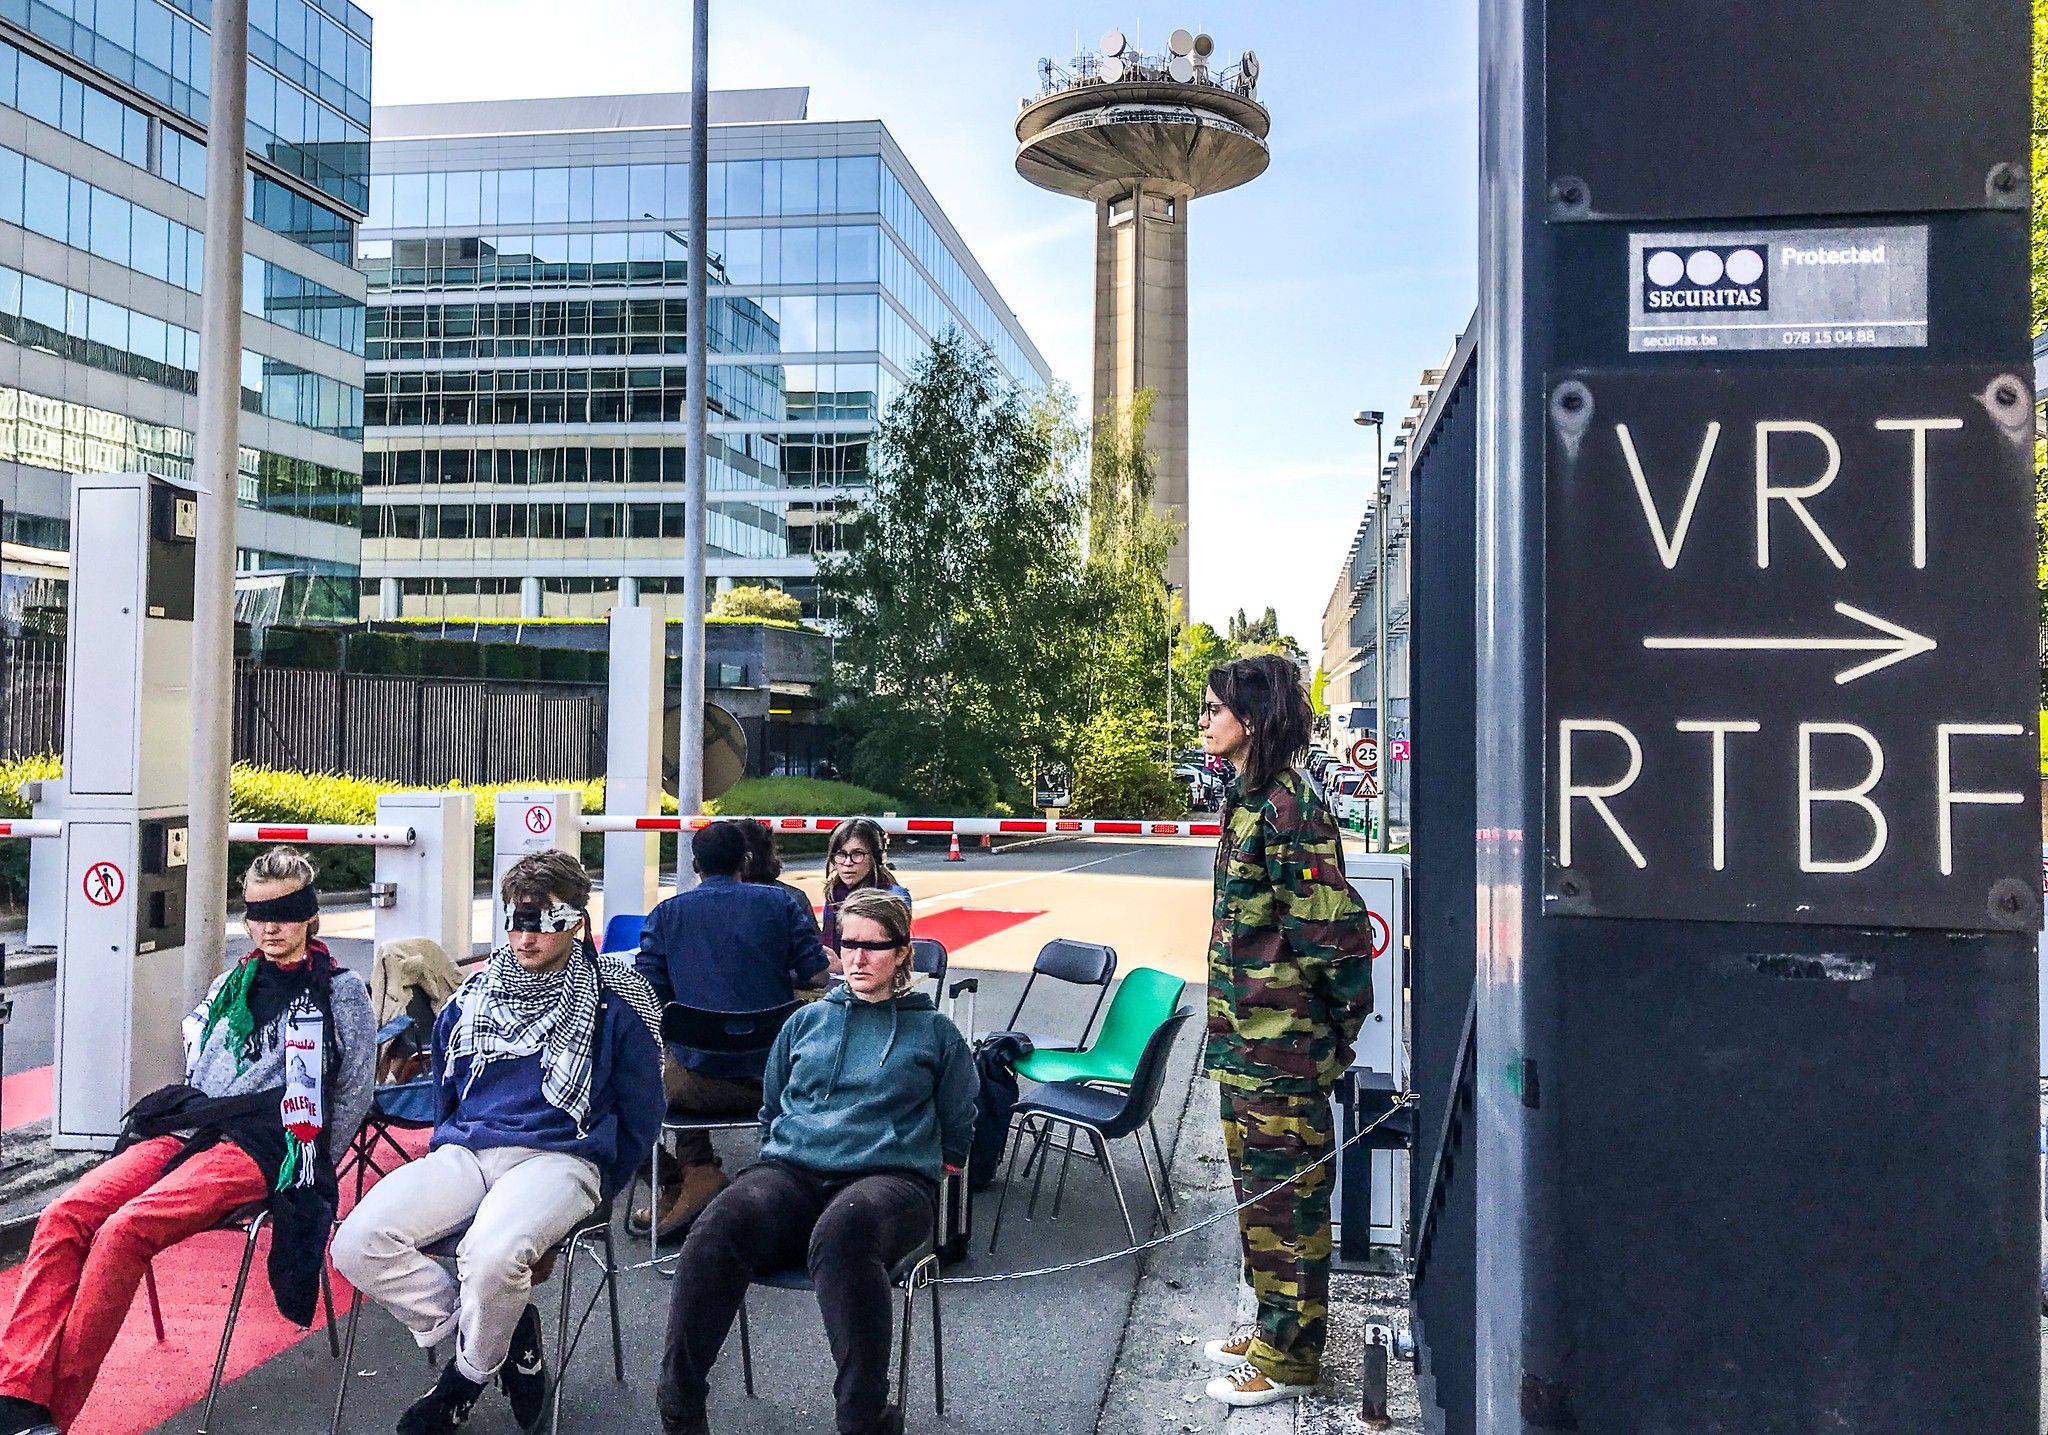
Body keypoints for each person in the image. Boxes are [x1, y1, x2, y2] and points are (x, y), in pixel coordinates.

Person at [0, 848, 375, 1435]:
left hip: (268, 1143)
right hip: (194, 1125)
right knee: (64, 1214)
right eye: (257, 913)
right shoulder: (233, 980)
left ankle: (53, 1414)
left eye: (285, 912)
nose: (270, 926)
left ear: (310, 916)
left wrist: (311, 1163)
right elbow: (204, 1066)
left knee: (126, 1230)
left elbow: (355, 1089)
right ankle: (18, 1397)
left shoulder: (340, 990)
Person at [332, 850, 663, 1435]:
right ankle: (502, 1339)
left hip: (564, 1156)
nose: (526, 937)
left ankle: (461, 1384)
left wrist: (603, 1188)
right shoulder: (470, 998)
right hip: (467, 1151)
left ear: (576, 922)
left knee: (492, 1257)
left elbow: (642, 1113)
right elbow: (449, 1101)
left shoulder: (617, 1000)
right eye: (515, 921)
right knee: (357, 1244)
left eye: (543, 922)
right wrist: (451, 1148)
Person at [656, 888, 976, 1435]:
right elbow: (773, 1107)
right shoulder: (806, 1023)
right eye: (848, 944)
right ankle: (679, 1407)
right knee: (717, 1225)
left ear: (903, 952)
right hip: (795, 1170)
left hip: (891, 1179)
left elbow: (958, 1122)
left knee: (845, 1230)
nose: (857, 959)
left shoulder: (935, 1033)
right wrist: (787, 1158)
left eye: (875, 947)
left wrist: (928, 1165)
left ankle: (864, 1419)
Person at [1195, 654, 1376, 1410]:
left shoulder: (1287, 807)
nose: (1202, 720)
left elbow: (1335, 937)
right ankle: (1272, 1323)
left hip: (1284, 1053)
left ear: (1254, 719)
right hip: (1245, 1049)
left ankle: (1292, 1356)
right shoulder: (1247, 801)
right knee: (1260, 1201)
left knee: (1289, 1206)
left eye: (1213, 708)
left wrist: (1332, 1035)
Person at [634, 821, 830, 1237]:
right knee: (694, 1050)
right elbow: (817, 977)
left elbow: (648, 993)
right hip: (779, 1081)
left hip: (693, 1087)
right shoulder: (780, 905)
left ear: (694, 865)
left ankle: (683, 1176)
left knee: (622, 1082)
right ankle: (697, 1176)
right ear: (745, 860)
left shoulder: (667, 916)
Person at [819, 817, 911, 975]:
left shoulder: (892, 897)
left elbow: (888, 963)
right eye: (841, 854)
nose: (847, 863)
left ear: (876, 857)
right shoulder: (834, 893)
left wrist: (842, 968)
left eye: (858, 854)